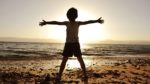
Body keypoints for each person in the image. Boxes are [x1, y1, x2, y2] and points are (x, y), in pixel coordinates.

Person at [39, 7, 104, 83]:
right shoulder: (68, 23)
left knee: (77, 60)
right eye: (70, 15)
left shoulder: (76, 23)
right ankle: (60, 75)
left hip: (74, 44)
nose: (70, 17)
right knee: (67, 60)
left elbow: (87, 22)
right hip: (70, 44)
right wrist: (46, 23)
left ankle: (84, 75)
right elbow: (56, 22)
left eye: (71, 15)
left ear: (73, 16)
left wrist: (96, 21)